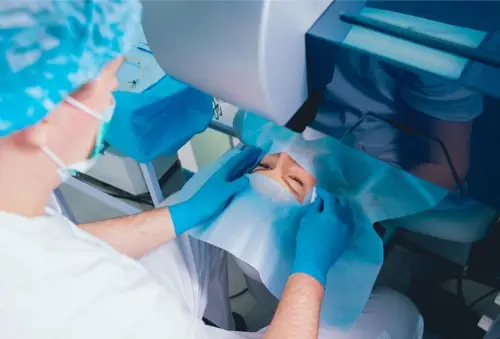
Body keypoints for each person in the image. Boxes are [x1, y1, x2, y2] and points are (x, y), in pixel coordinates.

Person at [0, 2, 414, 339]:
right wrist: (310, 271)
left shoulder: (17, 208)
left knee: (191, 223)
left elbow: (59, 243)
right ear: (43, 120)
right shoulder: (112, 308)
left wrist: (180, 215)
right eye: (108, 86)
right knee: (397, 312)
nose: (111, 102)